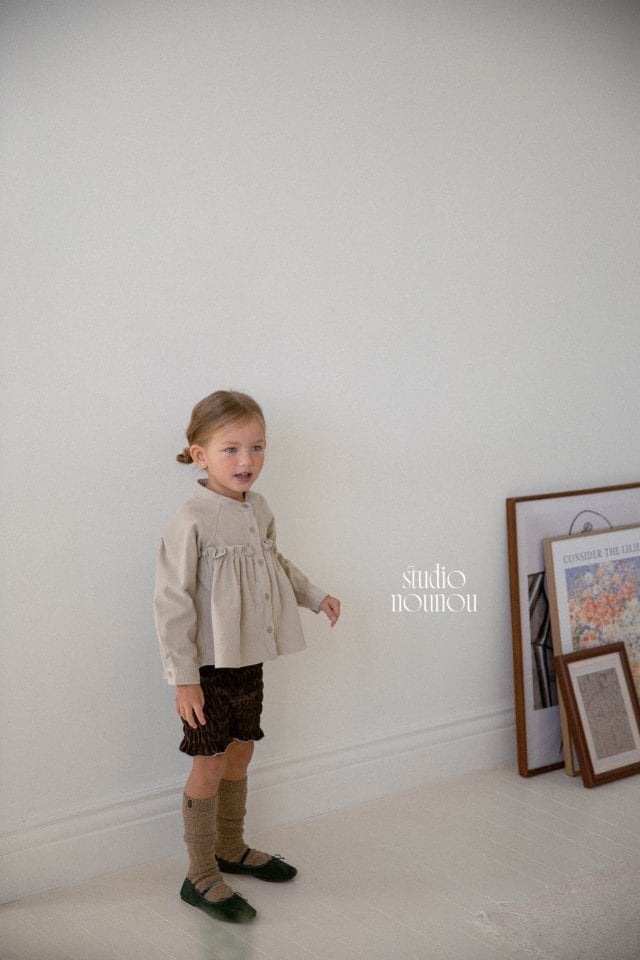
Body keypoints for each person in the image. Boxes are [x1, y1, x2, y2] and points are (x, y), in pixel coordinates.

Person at [153, 389, 341, 923]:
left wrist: (312, 595)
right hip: (206, 668)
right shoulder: (190, 520)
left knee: (241, 752)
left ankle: (230, 847)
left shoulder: (258, 508)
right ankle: (199, 874)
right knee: (209, 761)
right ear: (200, 454)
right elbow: (171, 604)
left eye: (257, 447)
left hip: (247, 659)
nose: (247, 460)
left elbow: (275, 562)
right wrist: (184, 678)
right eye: (231, 449)